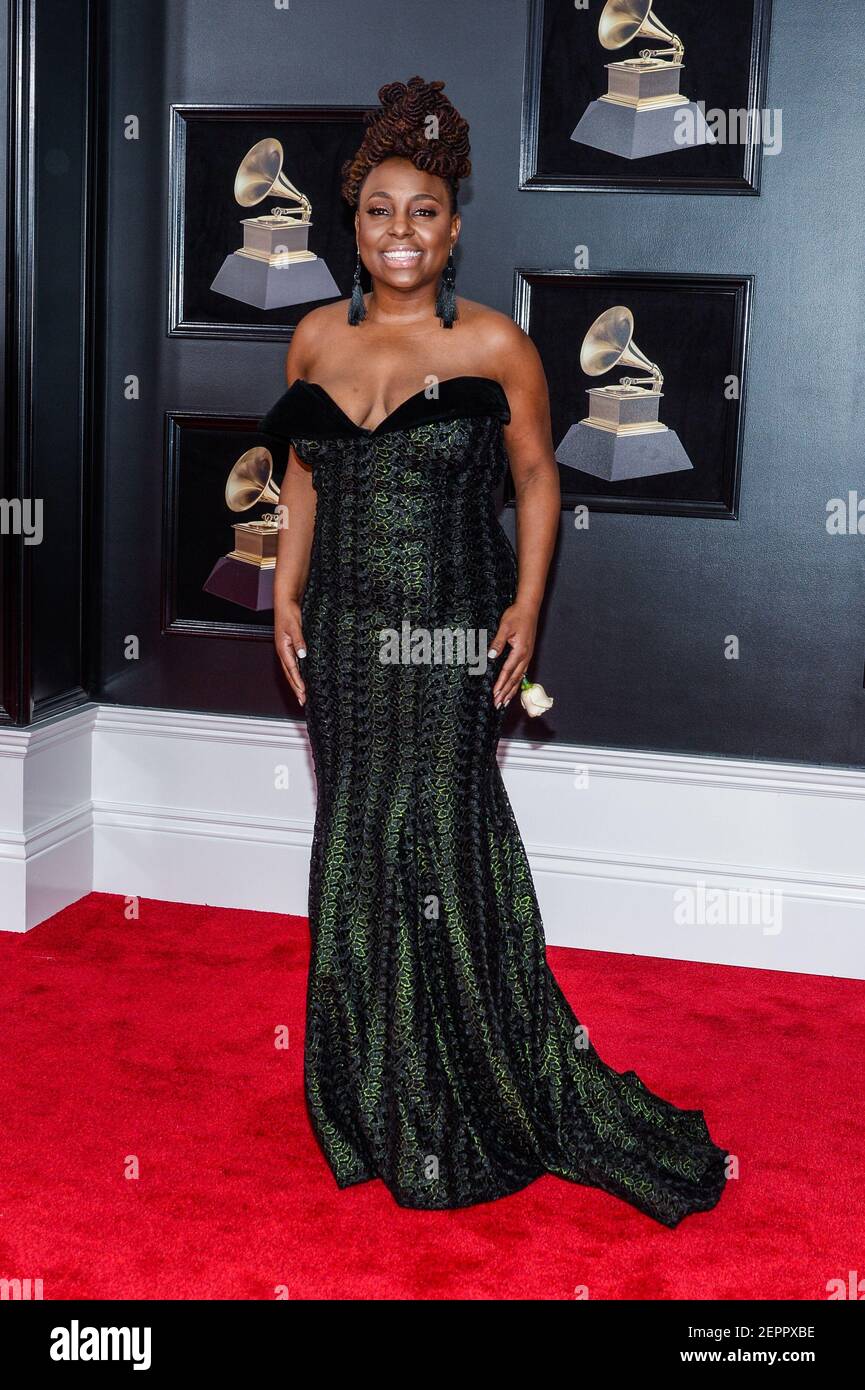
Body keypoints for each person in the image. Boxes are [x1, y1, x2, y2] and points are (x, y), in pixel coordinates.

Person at [258, 76, 729, 1226]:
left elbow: (535, 474)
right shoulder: (313, 337)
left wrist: (523, 609)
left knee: (440, 842)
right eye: (379, 209)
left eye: (424, 210)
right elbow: (307, 471)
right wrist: (283, 585)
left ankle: (470, 1083)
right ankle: (368, 1091)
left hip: (451, 630)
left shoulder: (497, 344)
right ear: (350, 222)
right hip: (352, 638)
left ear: (455, 224)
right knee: (359, 842)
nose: (401, 231)